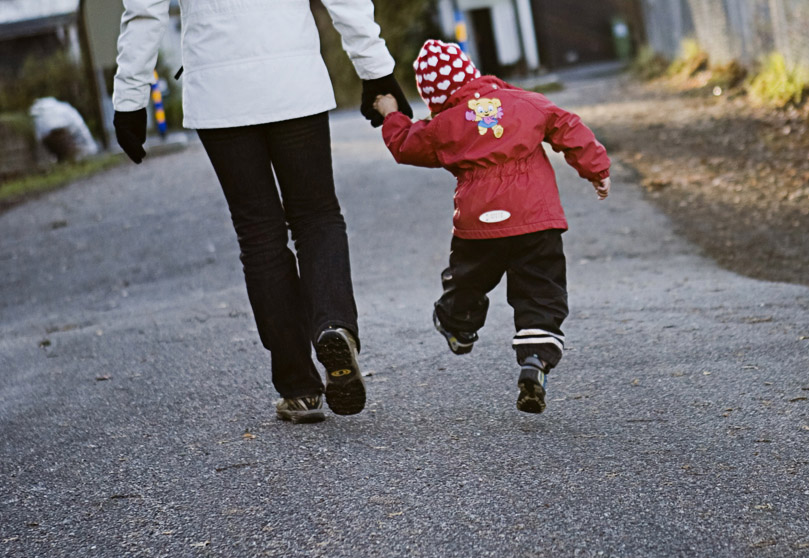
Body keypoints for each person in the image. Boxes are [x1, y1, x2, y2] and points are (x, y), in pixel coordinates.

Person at [112, 0, 413, 424]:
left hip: (219, 91)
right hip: (293, 78)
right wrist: (375, 70)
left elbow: (145, 11)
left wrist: (129, 99)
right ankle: (334, 325)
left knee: (259, 234)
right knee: (317, 217)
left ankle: (298, 388)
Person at [373, 39, 611, 414]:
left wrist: (391, 113)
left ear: (434, 98)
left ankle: (458, 323)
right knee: (540, 289)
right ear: (473, 73)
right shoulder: (523, 102)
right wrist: (596, 169)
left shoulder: (442, 126)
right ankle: (535, 359)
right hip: (536, 219)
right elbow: (567, 124)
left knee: (467, 278)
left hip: (479, 226)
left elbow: (404, 144)